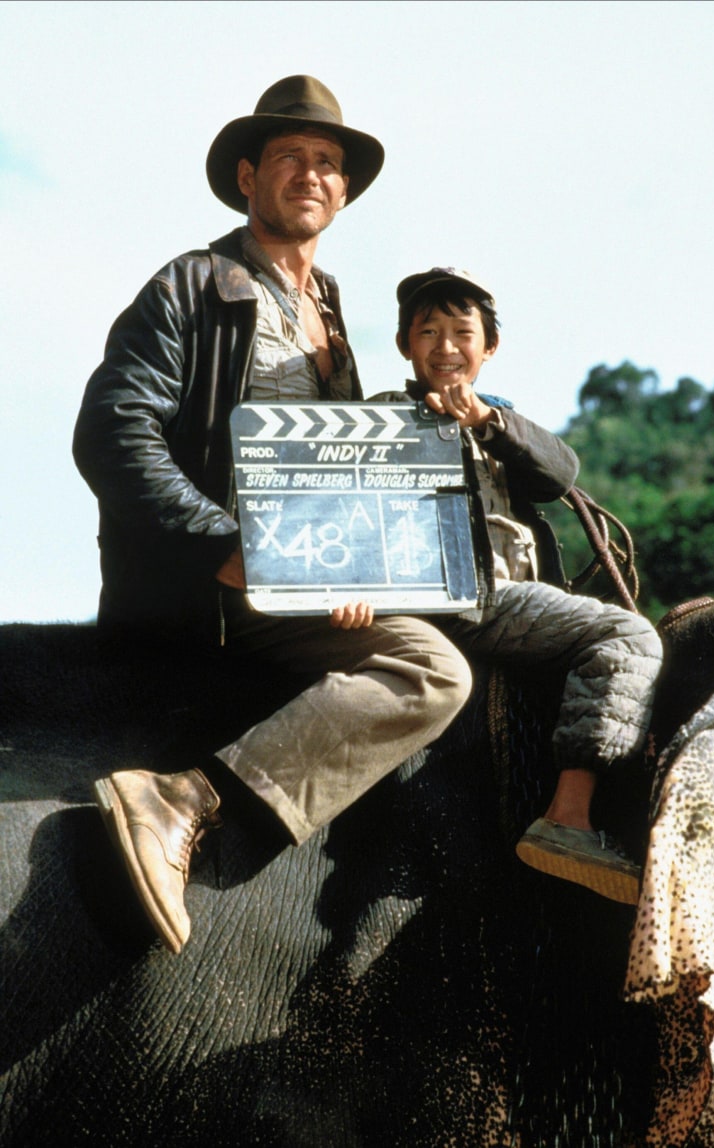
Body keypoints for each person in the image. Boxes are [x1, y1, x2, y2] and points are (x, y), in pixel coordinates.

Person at [73, 77, 473, 955]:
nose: (313, 174)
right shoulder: (191, 285)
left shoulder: (329, 309)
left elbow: (339, 468)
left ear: (343, 192)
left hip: (305, 590)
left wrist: (363, 571)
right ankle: (185, 800)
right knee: (434, 672)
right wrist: (220, 548)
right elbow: (111, 432)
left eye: (328, 163)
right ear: (248, 176)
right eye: (291, 157)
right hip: (208, 598)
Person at [370, 266, 663, 905]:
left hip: (508, 598)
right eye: (429, 332)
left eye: (461, 332)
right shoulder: (382, 419)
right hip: (462, 598)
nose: (446, 347)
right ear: (406, 345)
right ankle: (569, 817)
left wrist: (489, 424)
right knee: (627, 636)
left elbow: (561, 471)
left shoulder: (500, 421)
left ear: (489, 346)